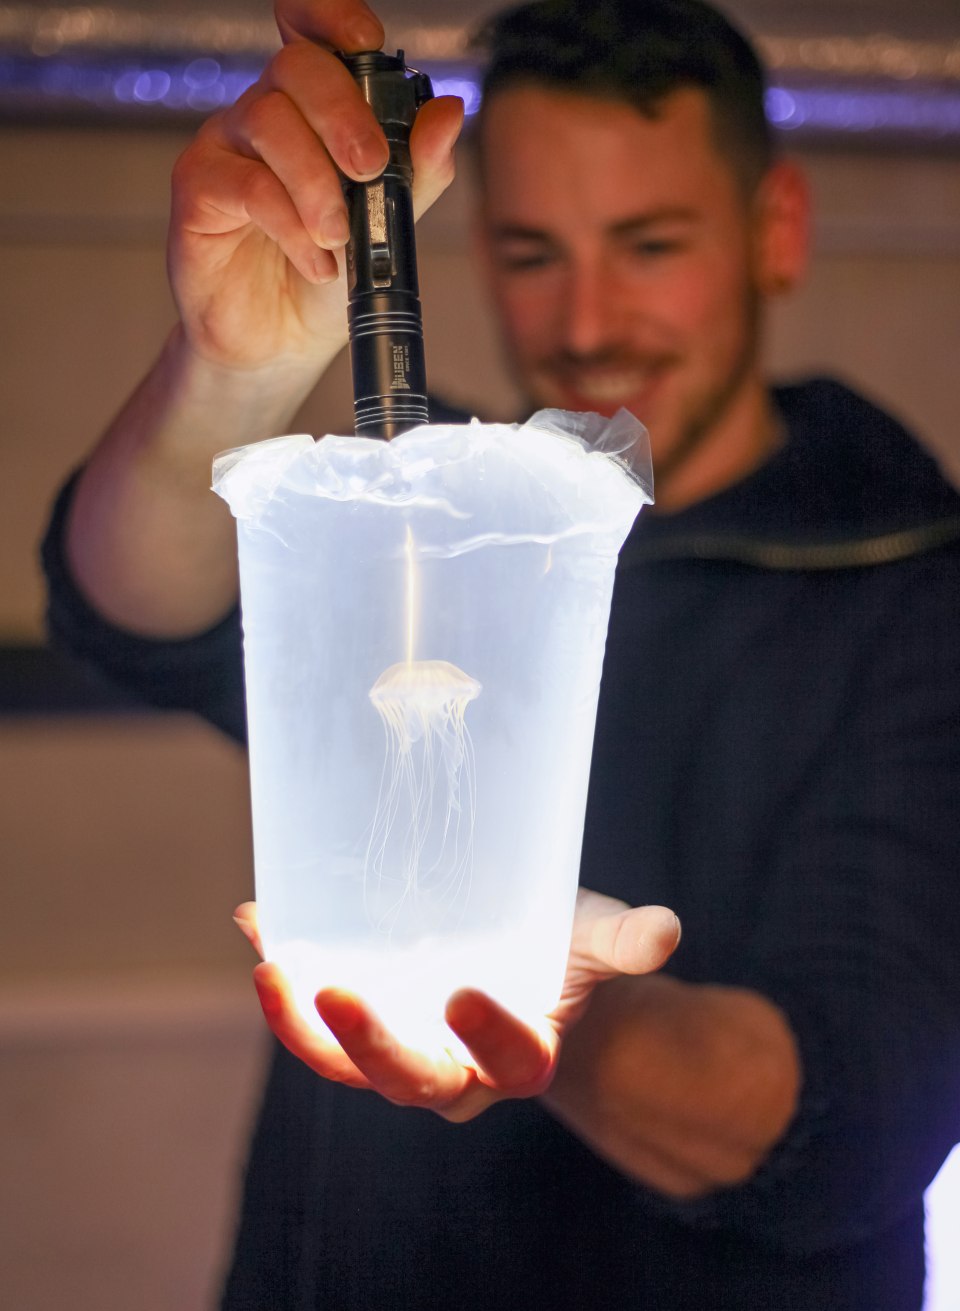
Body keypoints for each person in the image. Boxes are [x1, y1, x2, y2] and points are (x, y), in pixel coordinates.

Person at [41, 0, 960, 1306]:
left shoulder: (910, 583)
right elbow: (133, 606)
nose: (587, 323)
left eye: (649, 245)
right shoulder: (433, 514)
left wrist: (536, 985)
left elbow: (860, 1116)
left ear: (776, 232)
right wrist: (226, 373)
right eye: (532, 252)